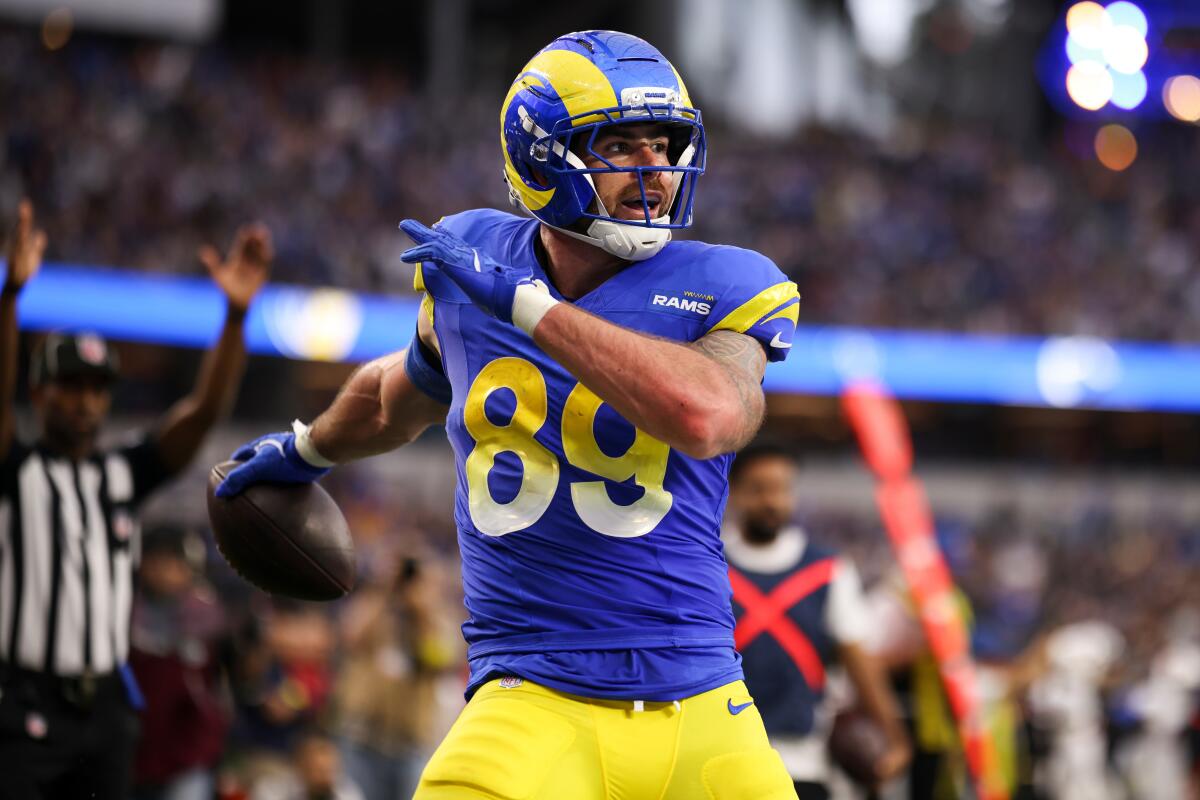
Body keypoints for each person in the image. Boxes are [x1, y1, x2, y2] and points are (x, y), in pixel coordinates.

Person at [217, 30, 802, 799]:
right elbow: (402, 393)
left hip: (701, 702)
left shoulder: (723, 283)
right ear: (542, 155)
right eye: (621, 146)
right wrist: (308, 447)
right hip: (531, 700)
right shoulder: (471, 264)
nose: (655, 171)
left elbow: (706, 414)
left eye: (665, 145)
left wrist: (531, 309)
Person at [0, 200, 271, 800]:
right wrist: (12, 298)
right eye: (70, 386)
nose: (85, 402)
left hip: (105, 708)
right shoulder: (14, 470)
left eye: (98, 389)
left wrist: (233, 318)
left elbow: (201, 417)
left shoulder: (121, 473)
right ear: (38, 393)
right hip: (22, 701)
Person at [724, 442, 911, 799]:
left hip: (801, 761)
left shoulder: (828, 571)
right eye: (758, 489)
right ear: (734, 493)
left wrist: (895, 737)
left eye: (781, 489)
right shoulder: (712, 568)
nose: (772, 501)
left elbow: (859, 662)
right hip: (723, 752)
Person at [129, 524, 231, 800]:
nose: (166, 571)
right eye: (158, 561)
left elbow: (217, 692)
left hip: (189, 752)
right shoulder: (122, 613)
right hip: (135, 750)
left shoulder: (207, 618)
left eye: (175, 562)